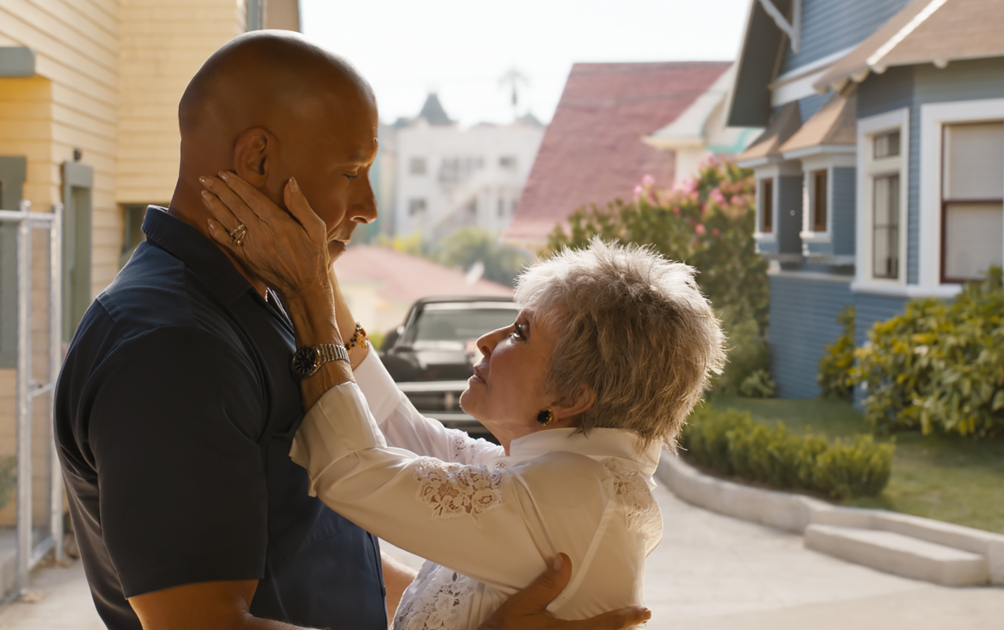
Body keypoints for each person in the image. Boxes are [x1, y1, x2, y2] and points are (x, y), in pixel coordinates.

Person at [54, 30, 652, 630]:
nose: (367, 205)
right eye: (351, 172)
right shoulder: (172, 347)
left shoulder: (265, 303)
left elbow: (321, 539)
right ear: (258, 160)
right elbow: (202, 624)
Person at [197, 173, 727, 630]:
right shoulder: (561, 475)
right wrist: (319, 270)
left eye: (520, 332)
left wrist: (307, 290)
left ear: (573, 394)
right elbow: (399, 429)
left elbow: (355, 471)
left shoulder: (571, 493)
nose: (486, 340)